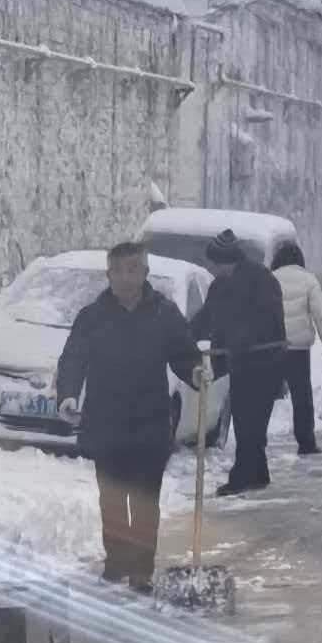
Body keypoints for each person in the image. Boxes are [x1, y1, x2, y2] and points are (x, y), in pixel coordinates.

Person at [56, 243, 200, 590]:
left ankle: (141, 569)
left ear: (145, 273)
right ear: (108, 275)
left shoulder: (164, 313)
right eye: (118, 270)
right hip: (106, 423)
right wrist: (68, 394)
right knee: (113, 500)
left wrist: (196, 372)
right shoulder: (92, 317)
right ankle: (117, 560)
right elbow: (73, 359)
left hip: (150, 422)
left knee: (145, 502)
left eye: (133, 269)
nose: (125, 277)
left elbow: (184, 353)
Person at [197, 229, 291, 492]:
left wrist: (241, 340)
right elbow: (207, 318)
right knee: (244, 421)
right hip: (240, 363)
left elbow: (268, 318)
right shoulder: (219, 286)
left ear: (224, 260)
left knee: (252, 421)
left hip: (265, 362)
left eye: (212, 263)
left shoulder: (261, 279)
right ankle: (258, 473)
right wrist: (182, 337)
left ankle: (242, 476)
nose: (210, 268)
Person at [272, 238, 322, 458]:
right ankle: (306, 443)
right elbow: (319, 312)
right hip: (298, 349)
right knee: (302, 397)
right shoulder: (309, 280)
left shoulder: (270, 279)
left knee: (266, 396)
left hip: (273, 347)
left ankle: (257, 440)